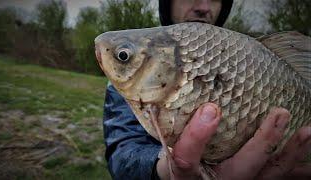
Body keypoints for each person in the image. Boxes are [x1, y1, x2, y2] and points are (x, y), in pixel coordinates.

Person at [102, 0, 311, 179]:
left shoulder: (250, 55)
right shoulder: (130, 83)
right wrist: (165, 170)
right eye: (124, 56)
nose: (203, 6)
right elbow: (121, 154)